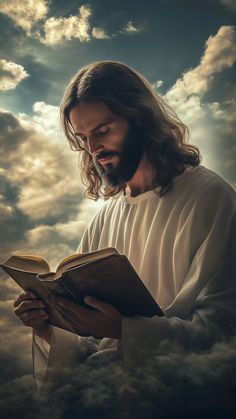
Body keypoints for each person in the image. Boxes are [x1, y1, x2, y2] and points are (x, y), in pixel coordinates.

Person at [13, 61, 236, 392]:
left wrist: (124, 329)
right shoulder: (106, 214)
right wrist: (47, 322)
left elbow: (222, 335)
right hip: (109, 397)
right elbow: (86, 341)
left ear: (142, 120)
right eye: (83, 137)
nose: (92, 149)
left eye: (102, 131)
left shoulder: (210, 197)